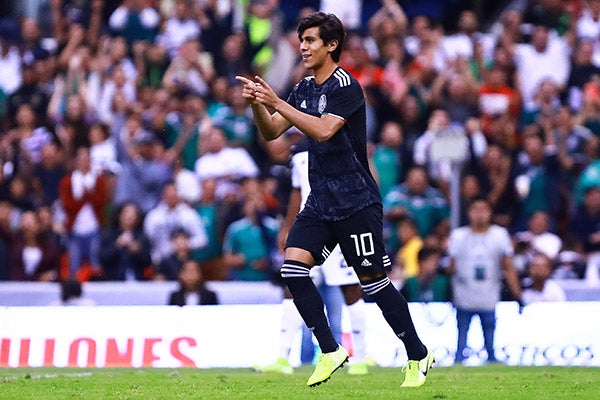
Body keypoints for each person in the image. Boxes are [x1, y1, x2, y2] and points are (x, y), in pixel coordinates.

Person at [236, 12, 433, 388]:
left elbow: (324, 130)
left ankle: (418, 354)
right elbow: (272, 132)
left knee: (374, 284)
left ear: (331, 45)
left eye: (310, 40)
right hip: (320, 200)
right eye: (302, 40)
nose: (303, 47)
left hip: (356, 201)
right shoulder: (304, 87)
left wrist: (278, 101)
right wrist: (259, 104)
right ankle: (330, 350)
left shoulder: (347, 86)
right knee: (293, 270)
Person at [255, 138, 369, 375]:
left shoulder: (344, 143)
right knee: (293, 284)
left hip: (341, 224)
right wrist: (287, 227)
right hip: (311, 227)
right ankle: (282, 357)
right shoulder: (299, 151)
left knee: (351, 290)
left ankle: (360, 357)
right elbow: (298, 192)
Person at [447, 197, 523, 364]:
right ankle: (459, 358)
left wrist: (516, 290)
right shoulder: (458, 236)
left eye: (484, 210)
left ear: (490, 213)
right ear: (469, 213)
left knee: (489, 329)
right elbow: (451, 267)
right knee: (462, 329)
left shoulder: (499, 235)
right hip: (464, 294)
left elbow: (508, 266)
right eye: (476, 210)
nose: (480, 214)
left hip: (489, 293)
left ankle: (491, 357)